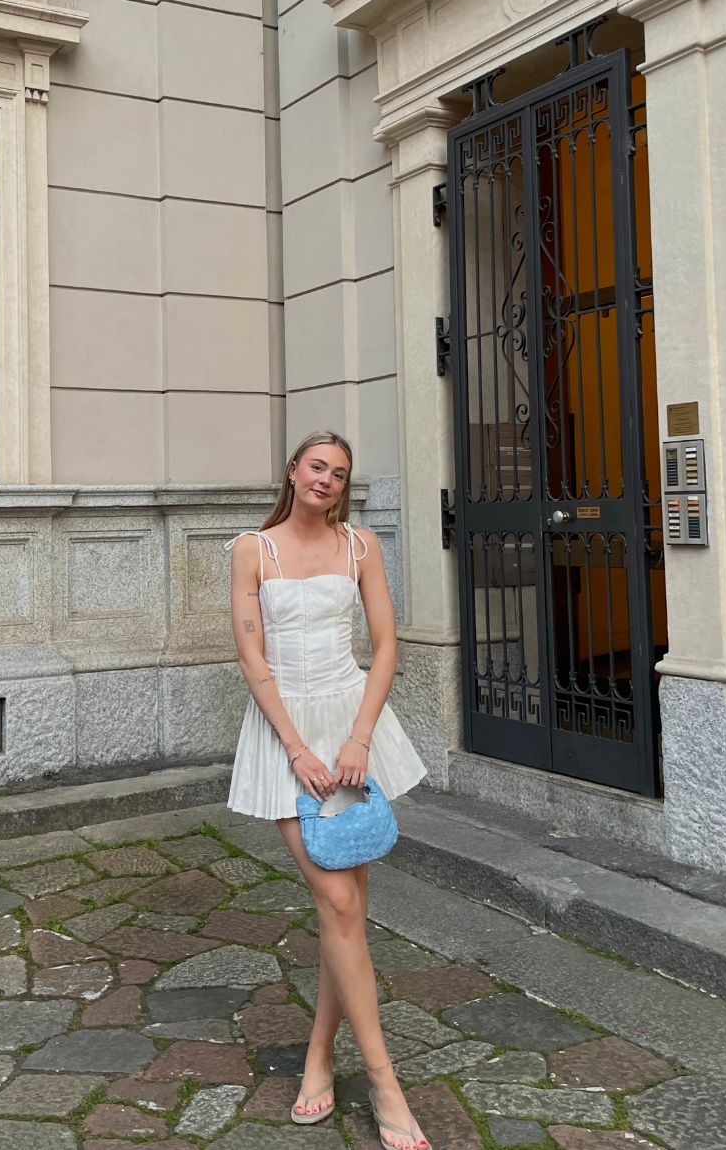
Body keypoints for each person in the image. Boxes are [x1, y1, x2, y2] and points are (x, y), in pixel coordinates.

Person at [226, 431, 429, 1150]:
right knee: (340, 902)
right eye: (317, 467)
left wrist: (359, 738)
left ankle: (319, 1056)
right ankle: (384, 1082)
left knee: (344, 911)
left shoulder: (361, 547)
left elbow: (385, 645)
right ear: (293, 471)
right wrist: (295, 746)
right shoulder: (253, 549)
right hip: (286, 735)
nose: (327, 480)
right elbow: (251, 654)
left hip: (352, 727)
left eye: (340, 473)